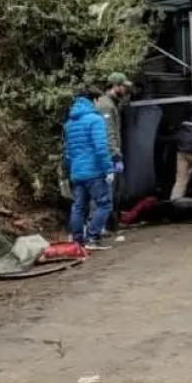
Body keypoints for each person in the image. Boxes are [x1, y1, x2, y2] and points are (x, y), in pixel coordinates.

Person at [63, 95, 115, 251]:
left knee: (78, 207)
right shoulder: (95, 120)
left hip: (77, 172)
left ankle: (78, 242)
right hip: (94, 171)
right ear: (94, 101)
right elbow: (101, 147)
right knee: (104, 204)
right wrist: (109, 169)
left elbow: (68, 152)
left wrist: (72, 169)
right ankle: (93, 237)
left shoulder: (69, 124)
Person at [95, 72, 132, 231]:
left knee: (111, 190)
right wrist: (115, 155)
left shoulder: (112, 103)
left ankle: (107, 224)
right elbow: (108, 132)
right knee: (106, 190)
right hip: (108, 156)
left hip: (109, 154)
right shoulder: (106, 106)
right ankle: (101, 226)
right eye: (123, 87)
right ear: (115, 86)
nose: (125, 90)